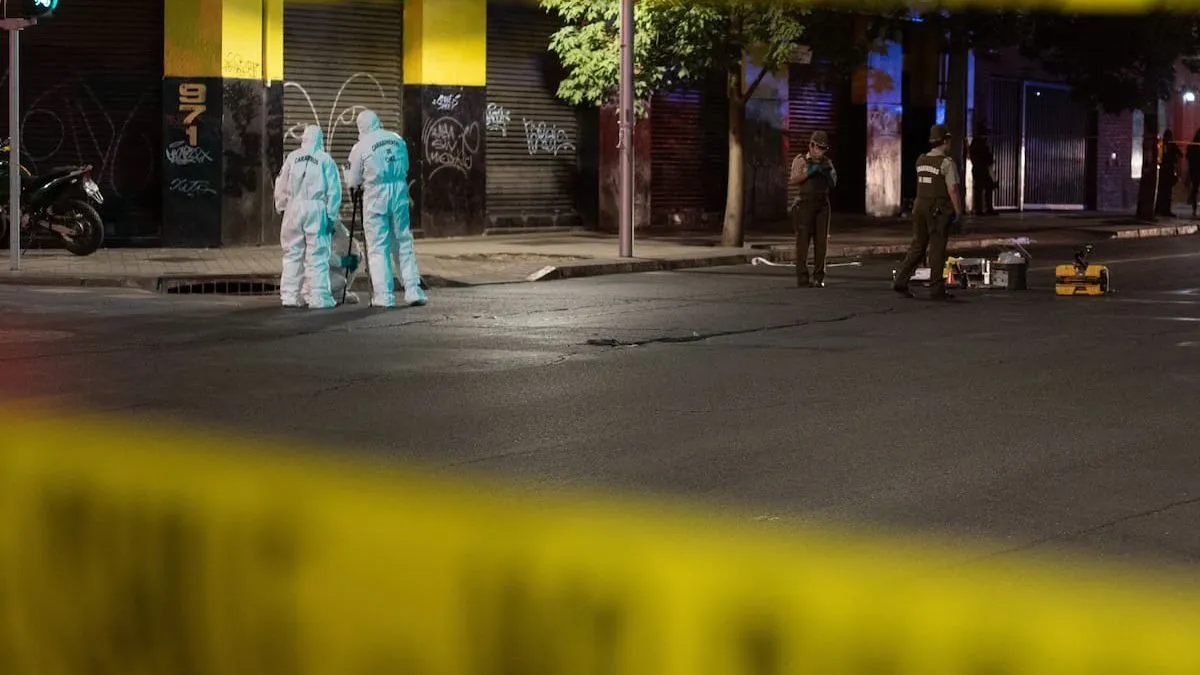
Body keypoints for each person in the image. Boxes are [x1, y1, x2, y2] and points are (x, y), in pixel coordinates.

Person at [346, 109, 427, 308]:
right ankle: (413, 289)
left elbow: (353, 179)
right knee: (403, 241)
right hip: (398, 190)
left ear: (361, 127)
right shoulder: (396, 139)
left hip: (375, 195)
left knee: (377, 245)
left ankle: (384, 295)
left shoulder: (361, 145)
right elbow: (406, 166)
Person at [892, 124, 964, 301]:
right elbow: (952, 189)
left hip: (919, 207)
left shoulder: (921, 160)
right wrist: (959, 211)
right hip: (938, 209)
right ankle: (936, 289)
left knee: (918, 246)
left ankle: (901, 280)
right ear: (945, 141)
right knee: (937, 249)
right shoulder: (947, 163)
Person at [273, 124, 341, 309]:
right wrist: (331, 215)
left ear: (303, 138)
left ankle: (290, 295)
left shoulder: (292, 157)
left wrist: (281, 206)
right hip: (316, 208)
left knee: (292, 253)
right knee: (317, 253)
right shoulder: (325, 159)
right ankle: (318, 296)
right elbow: (334, 190)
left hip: (294, 208)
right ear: (320, 139)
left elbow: (281, 184)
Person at [788, 130, 838, 288]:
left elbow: (833, 183)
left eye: (823, 149)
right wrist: (808, 173)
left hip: (822, 205)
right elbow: (793, 180)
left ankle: (818, 277)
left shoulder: (827, 163)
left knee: (821, 242)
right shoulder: (801, 160)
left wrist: (827, 173)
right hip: (804, 204)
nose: (820, 152)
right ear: (811, 145)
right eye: (818, 147)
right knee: (803, 242)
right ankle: (802, 278)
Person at [302, 219, 364, 305]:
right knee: (337, 281)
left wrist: (355, 255)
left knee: (355, 255)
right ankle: (310, 294)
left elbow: (346, 238)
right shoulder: (311, 222)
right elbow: (318, 254)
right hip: (310, 273)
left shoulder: (332, 220)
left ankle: (341, 292)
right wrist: (341, 261)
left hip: (326, 270)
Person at [968, 123, 997, 216]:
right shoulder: (980, 143)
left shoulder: (975, 143)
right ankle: (984, 209)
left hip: (978, 169)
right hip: (981, 169)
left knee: (982, 189)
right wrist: (990, 159)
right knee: (984, 188)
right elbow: (985, 156)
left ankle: (982, 209)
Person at [1156, 129, 1181, 218]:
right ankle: (1163, 210)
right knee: (1165, 193)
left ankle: (1161, 209)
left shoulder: (1165, 145)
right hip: (1167, 172)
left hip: (1165, 172)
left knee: (1163, 192)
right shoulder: (1167, 145)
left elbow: (1180, 154)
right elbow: (1180, 154)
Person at [1186, 129, 1200, 218]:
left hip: (1193, 170)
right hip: (1197, 169)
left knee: (1195, 189)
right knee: (1195, 189)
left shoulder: (1191, 146)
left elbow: (1187, 156)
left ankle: (1194, 209)